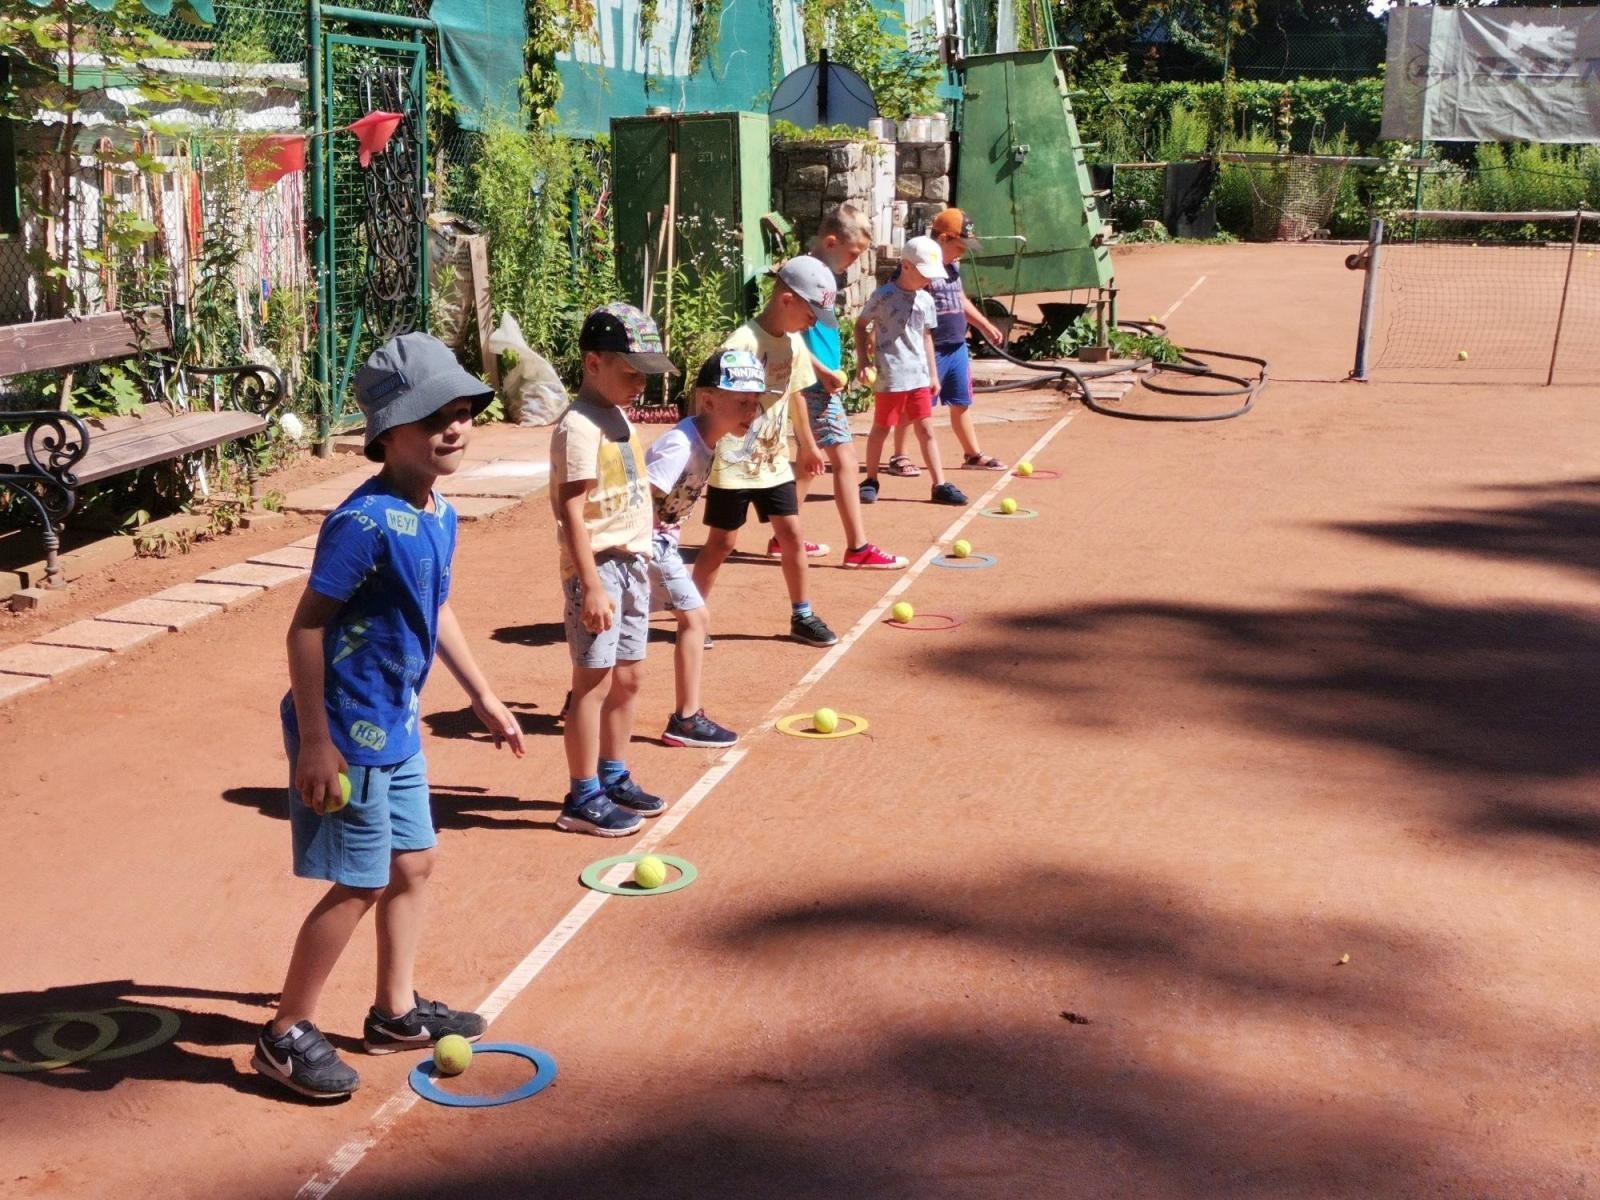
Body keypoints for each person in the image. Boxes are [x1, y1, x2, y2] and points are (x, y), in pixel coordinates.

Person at [255, 332, 526, 1101]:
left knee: (415, 864)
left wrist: (482, 693)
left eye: (464, 410)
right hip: (345, 731)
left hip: (397, 725)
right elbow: (305, 628)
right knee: (359, 881)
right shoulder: (364, 522)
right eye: (432, 414)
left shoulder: (437, 512)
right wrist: (315, 742)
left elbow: (433, 608)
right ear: (386, 433)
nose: (455, 425)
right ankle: (284, 1034)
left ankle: (394, 1010)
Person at [552, 303, 675, 837]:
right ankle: (582, 796)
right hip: (598, 569)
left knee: (629, 678)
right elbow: (571, 512)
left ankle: (613, 774)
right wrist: (593, 585)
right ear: (593, 362)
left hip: (632, 561)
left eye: (644, 373)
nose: (639, 383)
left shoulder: (617, 414)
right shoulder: (578, 427)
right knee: (593, 684)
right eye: (630, 372)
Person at [690, 256, 841, 648]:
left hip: (773, 462)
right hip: (733, 461)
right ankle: (694, 615)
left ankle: (802, 614)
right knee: (722, 543)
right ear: (787, 300)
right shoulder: (742, 343)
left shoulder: (793, 344)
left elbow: (795, 396)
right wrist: (700, 448)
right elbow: (706, 396)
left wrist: (808, 445)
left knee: (792, 533)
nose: (815, 322)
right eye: (812, 313)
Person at [647, 348, 765, 747]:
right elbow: (640, 496)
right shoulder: (680, 445)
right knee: (695, 618)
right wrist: (642, 549)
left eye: (755, 402)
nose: (753, 411)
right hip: (646, 546)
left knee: (619, 624)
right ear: (709, 400)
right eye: (742, 402)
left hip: (654, 545)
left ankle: (581, 699)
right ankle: (686, 720)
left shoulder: (708, 439)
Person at [797, 204, 910, 571]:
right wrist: (821, 371)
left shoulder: (825, 276)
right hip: (813, 385)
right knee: (844, 460)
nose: (855, 261)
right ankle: (858, 548)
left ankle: (783, 537)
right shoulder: (808, 277)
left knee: (806, 463)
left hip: (817, 381)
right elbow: (790, 336)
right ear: (831, 242)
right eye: (853, 253)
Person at [888, 208, 1011, 473]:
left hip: (956, 346)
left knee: (961, 402)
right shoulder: (917, 268)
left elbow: (960, 300)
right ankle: (899, 456)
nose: (963, 251)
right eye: (960, 245)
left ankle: (972, 454)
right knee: (916, 406)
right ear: (942, 239)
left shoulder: (953, 267)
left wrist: (985, 324)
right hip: (928, 349)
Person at [855, 236, 968, 507]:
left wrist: (932, 374)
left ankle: (939, 484)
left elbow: (926, 336)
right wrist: (863, 361)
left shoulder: (926, 300)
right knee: (881, 428)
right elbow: (860, 326)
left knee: (927, 429)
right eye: (924, 273)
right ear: (906, 266)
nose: (929, 280)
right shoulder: (882, 297)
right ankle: (870, 480)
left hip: (918, 376)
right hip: (890, 376)